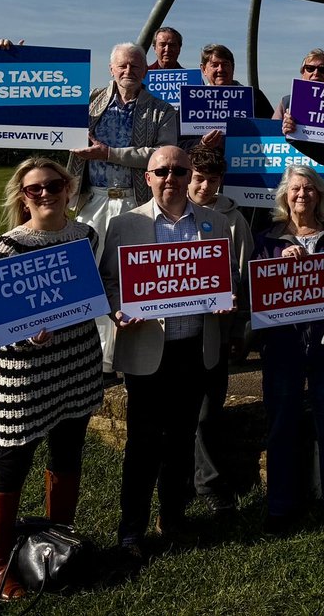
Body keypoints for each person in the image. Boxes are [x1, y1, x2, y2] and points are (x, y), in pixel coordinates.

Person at [0, 159, 104, 599]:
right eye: (34, 189)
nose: (45, 193)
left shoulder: (87, 235)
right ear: (22, 198)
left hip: (78, 367)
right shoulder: (7, 248)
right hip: (28, 376)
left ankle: (57, 541)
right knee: (13, 461)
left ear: (68, 188)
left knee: (67, 454)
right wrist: (23, 336)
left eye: (53, 185)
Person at [99, 146, 239, 561]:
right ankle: (131, 530)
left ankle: (174, 517)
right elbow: (108, 280)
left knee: (181, 440)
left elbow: (224, 276)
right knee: (143, 444)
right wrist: (118, 308)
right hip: (147, 352)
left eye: (180, 170)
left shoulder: (213, 223)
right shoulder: (125, 225)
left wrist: (224, 298)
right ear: (148, 176)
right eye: (162, 171)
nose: (172, 178)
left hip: (196, 348)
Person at [253, 165, 324, 536]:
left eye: (309, 189)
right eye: (295, 189)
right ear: (284, 196)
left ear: (320, 195)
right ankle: (281, 506)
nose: (301, 195)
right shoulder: (266, 239)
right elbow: (255, 290)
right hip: (283, 345)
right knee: (282, 425)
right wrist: (276, 264)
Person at [68, 42, 178, 377]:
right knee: (90, 277)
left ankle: (132, 356)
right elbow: (37, 108)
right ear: (111, 69)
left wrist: (111, 154)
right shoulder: (89, 103)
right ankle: (96, 357)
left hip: (137, 201)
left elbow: (162, 154)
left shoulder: (162, 110)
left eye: (135, 66)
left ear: (146, 70)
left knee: (134, 278)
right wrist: (10, 55)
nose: (128, 71)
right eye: (122, 66)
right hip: (93, 200)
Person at [186, 144, 255, 515]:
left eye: (212, 180)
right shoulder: (169, 215)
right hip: (172, 331)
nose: (204, 187)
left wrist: (239, 326)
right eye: (198, 179)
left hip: (217, 326)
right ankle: (179, 479)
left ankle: (208, 483)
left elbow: (244, 275)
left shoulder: (233, 219)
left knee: (209, 409)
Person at [273, 48, 324, 121]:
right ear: (303, 73)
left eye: (322, 69)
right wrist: (284, 129)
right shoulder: (287, 102)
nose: (316, 73)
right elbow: (270, 131)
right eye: (310, 68)